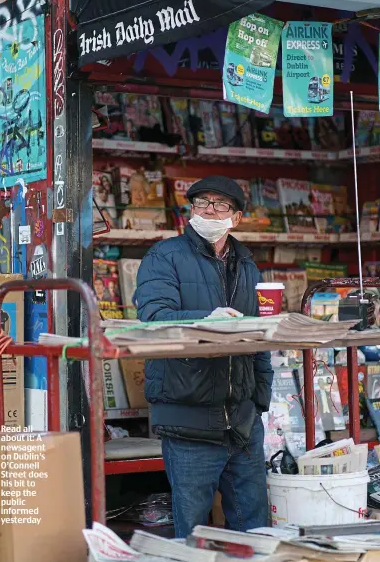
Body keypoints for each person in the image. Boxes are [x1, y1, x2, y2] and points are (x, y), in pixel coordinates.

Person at [136, 175, 272, 538]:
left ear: (236, 217)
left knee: (255, 530)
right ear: (191, 210)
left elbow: (258, 337)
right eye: (201, 203)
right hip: (188, 420)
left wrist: (260, 400)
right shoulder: (164, 256)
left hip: (242, 422)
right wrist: (203, 321)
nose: (209, 210)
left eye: (220, 204)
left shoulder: (247, 265)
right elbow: (153, 317)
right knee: (193, 536)